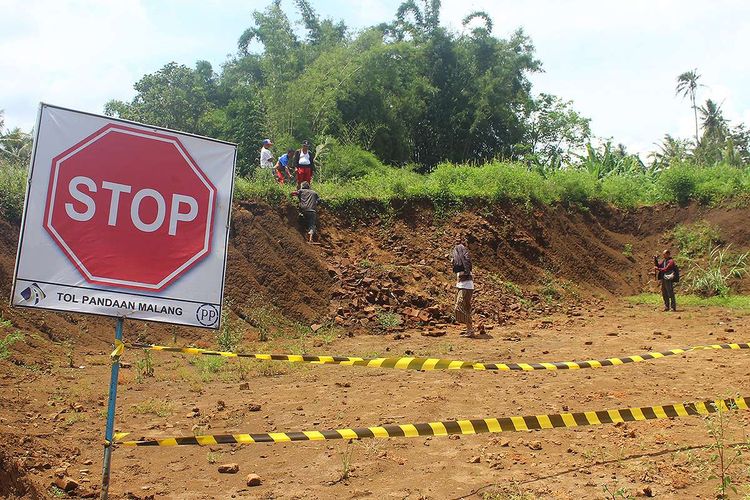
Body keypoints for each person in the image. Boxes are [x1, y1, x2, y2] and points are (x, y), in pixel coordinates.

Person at [451, 235, 476, 337]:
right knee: (466, 308)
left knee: (459, 306)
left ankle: (469, 328)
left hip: (465, 286)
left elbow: (466, 266)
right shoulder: (461, 256)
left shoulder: (462, 252)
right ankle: (469, 330)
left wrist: (465, 272)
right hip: (465, 286)